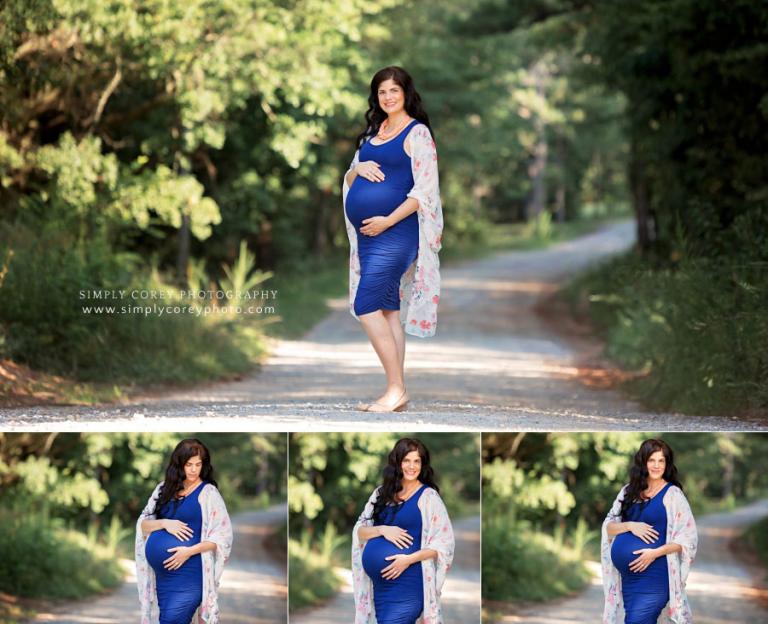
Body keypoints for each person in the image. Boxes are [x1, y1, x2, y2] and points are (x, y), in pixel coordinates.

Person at [342, 66, 444, 413]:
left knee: (365, 305)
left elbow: (424, 192)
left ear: (406, 94)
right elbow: (351, 177)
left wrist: (387, 219)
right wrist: (357, 170)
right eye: (381, 92)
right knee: (386, 310)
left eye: (394, 91)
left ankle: (395, 389)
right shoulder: (375, 132)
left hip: (397, 233)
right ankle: (396, 391)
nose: (387, 97)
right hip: (369, 237)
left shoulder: (417, 134)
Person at [352, 437, 455, 624]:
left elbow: (444, 545)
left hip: (409, 584)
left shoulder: (428, 497)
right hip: (381, 590)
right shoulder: (380, 493)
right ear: (397, 462)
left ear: (423, 465)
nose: (412, 466)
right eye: (406, 460)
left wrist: (407, 560)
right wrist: (383, 530)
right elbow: (360, 531)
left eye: (417, 461)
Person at [135, 438, 233, 624]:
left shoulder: (208, 493)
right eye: (189, 464)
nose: (194, 469)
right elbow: (143, 525)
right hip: (164, 579)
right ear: (179, 464)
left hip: (190, 574)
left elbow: (223, 537)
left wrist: (188, 551)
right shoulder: (163, 490)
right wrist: (165, 523)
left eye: (198, 464)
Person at [601, 438, 698, 624]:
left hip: (655, 576)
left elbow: (688, 538)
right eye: (652, 460)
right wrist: (630, 526)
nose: (656, 465)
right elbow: (609, 526)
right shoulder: (628, 492)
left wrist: (654, 553)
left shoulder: (673, 495)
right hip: (629, 580)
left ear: (667, 464)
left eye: (661, 460)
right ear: (643, 462)